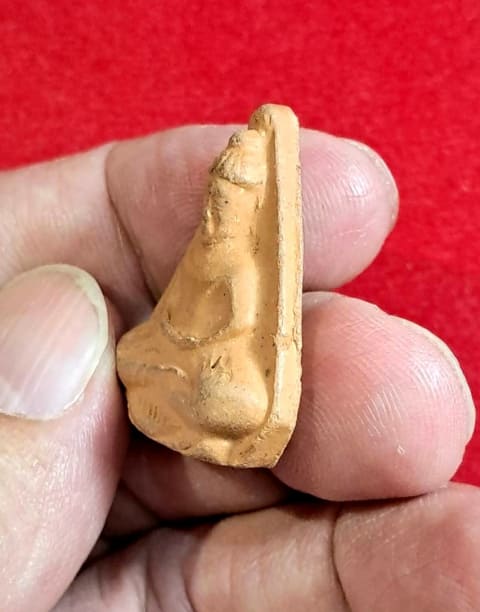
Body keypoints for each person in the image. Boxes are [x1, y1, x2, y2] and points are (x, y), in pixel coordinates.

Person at [0, 124, 477, 611]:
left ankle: (183, 403)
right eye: (219, 190)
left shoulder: (241, 262)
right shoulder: (208, 247)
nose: (220, 204)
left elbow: (236, 330)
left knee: (230, 400)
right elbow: (173, 319)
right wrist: (167, 343)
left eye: (233, 192)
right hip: (178, 360)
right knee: (132, 356)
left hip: (219, 375)